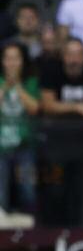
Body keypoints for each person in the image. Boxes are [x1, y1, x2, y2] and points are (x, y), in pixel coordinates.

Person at [0, 41, 39, 215]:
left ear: (22, 61)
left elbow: (34, 108)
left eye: (16, 58)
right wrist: (5, 87)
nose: (12, 63)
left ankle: (30, 226)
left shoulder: (31, 82)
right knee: (1, 194)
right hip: (1, 148)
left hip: (25, 147)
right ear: (3, 61)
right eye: (8, 58)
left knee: (28, 191)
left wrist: (17, 86)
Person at [39, 37, 83, 119]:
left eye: (79, 55)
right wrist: (77, 107)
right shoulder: (51, 69)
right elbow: (47, 106)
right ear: (62, 56)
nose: (74, 60)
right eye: (70, 54)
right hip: (56, 124)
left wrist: (60, 107)